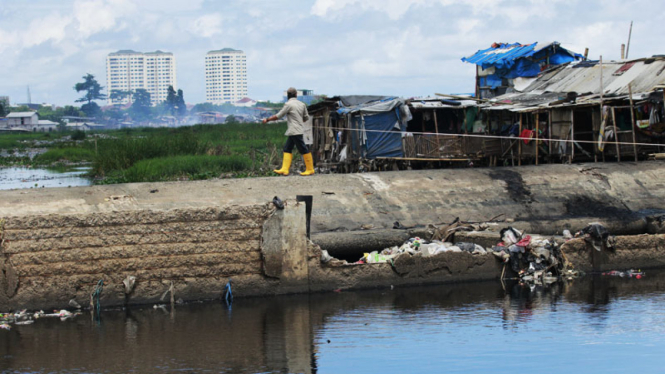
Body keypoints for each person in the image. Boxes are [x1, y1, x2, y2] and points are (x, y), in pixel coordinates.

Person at [263, 87, 315, 176]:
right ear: (296, 95)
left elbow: (278, 116)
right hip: (296, 130)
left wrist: (267, 120)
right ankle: (285, 169)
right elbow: (306, 118)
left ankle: (310, 169)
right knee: (287, 148)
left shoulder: (288, 104)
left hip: (294, 130)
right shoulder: (302, 104)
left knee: (303, 149)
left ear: (288, 96)